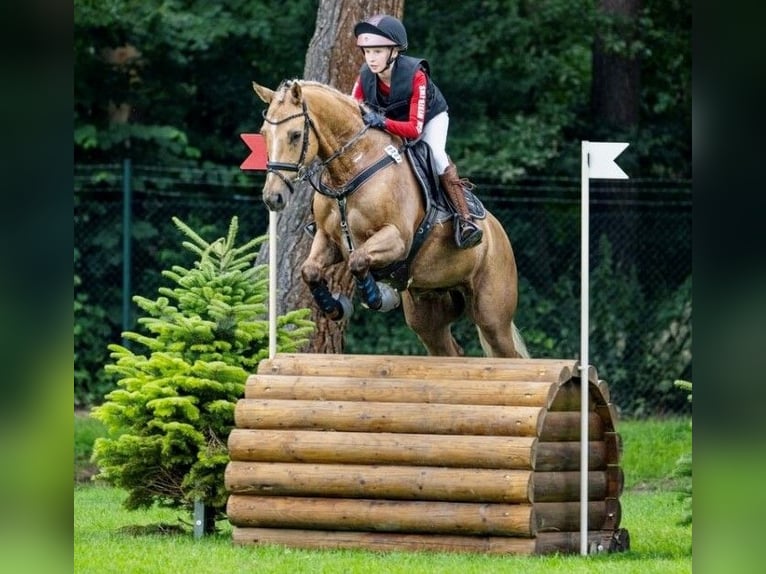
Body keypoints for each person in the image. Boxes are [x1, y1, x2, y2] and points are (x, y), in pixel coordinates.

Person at [351, 14, 483, 249]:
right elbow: (353, 113)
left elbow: (413, 130)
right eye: (368, 52)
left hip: (429, 120)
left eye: (378, 52)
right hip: (389, 122)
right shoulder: (364, 76)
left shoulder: (416, 75)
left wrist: (380, 122)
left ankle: (465, 220)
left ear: (394, 51)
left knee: (435, 153)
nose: (371, 58)